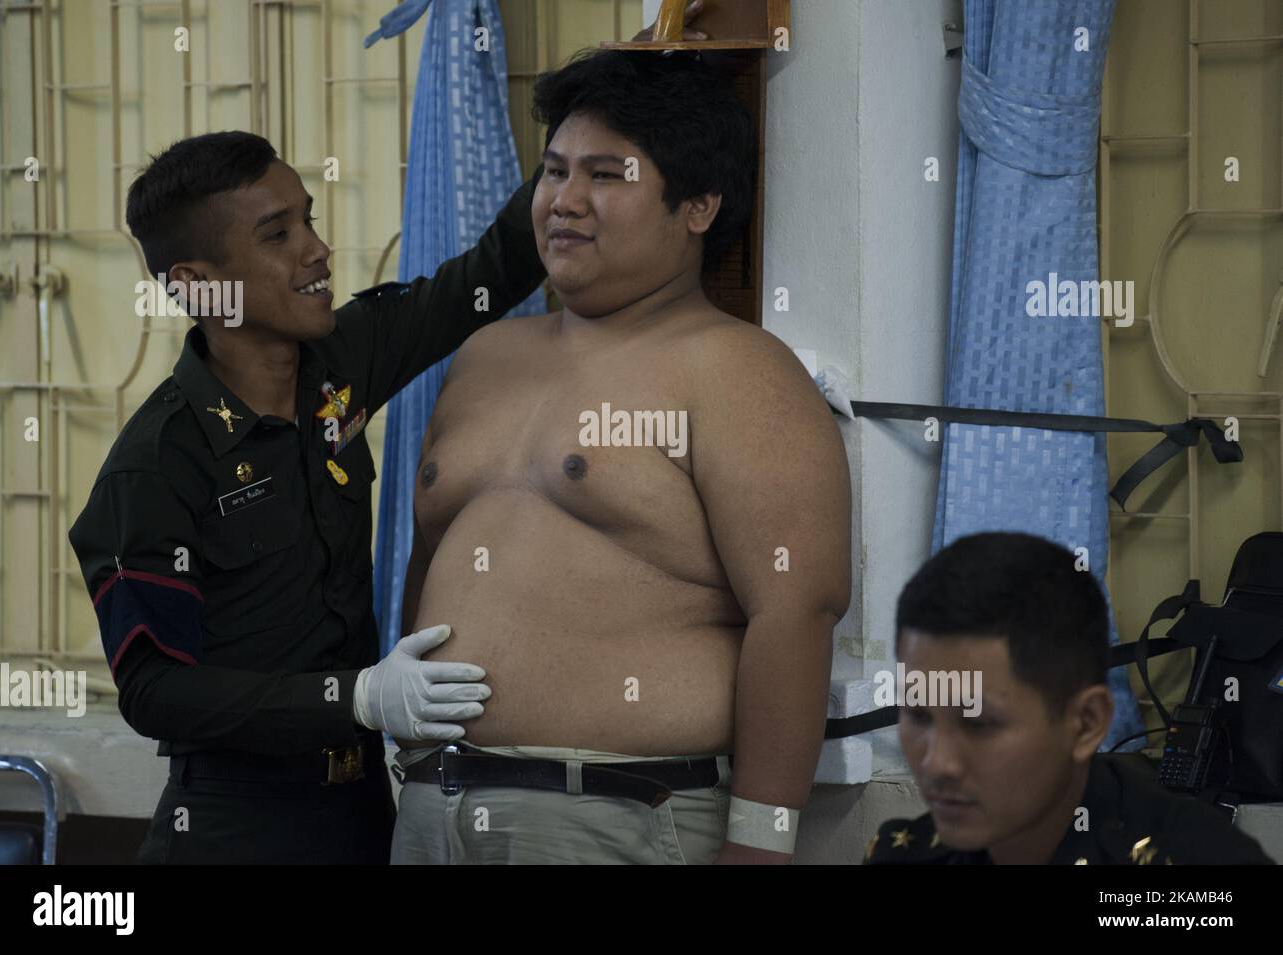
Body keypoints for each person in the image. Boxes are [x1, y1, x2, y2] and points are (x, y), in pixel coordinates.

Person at [390, 50, 853, 865]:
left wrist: (762, 841)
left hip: (614, 813)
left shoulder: (737, 369)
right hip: (433, 808)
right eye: (554, 171)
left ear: (699, 206)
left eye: (606, 175)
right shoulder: (485, 356)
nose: (564, 202)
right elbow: (429, 565)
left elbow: (797, 610)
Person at [68, 130, 545, 864]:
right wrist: (350, 697)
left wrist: (587, 128)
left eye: (310, 219)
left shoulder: (337, 366)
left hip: (358, 814)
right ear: (200, 285)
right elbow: (154, 689)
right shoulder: (156, 466)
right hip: (235, 827)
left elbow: (488, 273)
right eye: (278, 234)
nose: (317, 250)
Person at [865, 531, 1274, 865]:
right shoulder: (904, 854)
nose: (937, 763)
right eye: (918, 716)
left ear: (1086, 723)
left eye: (979, 723)